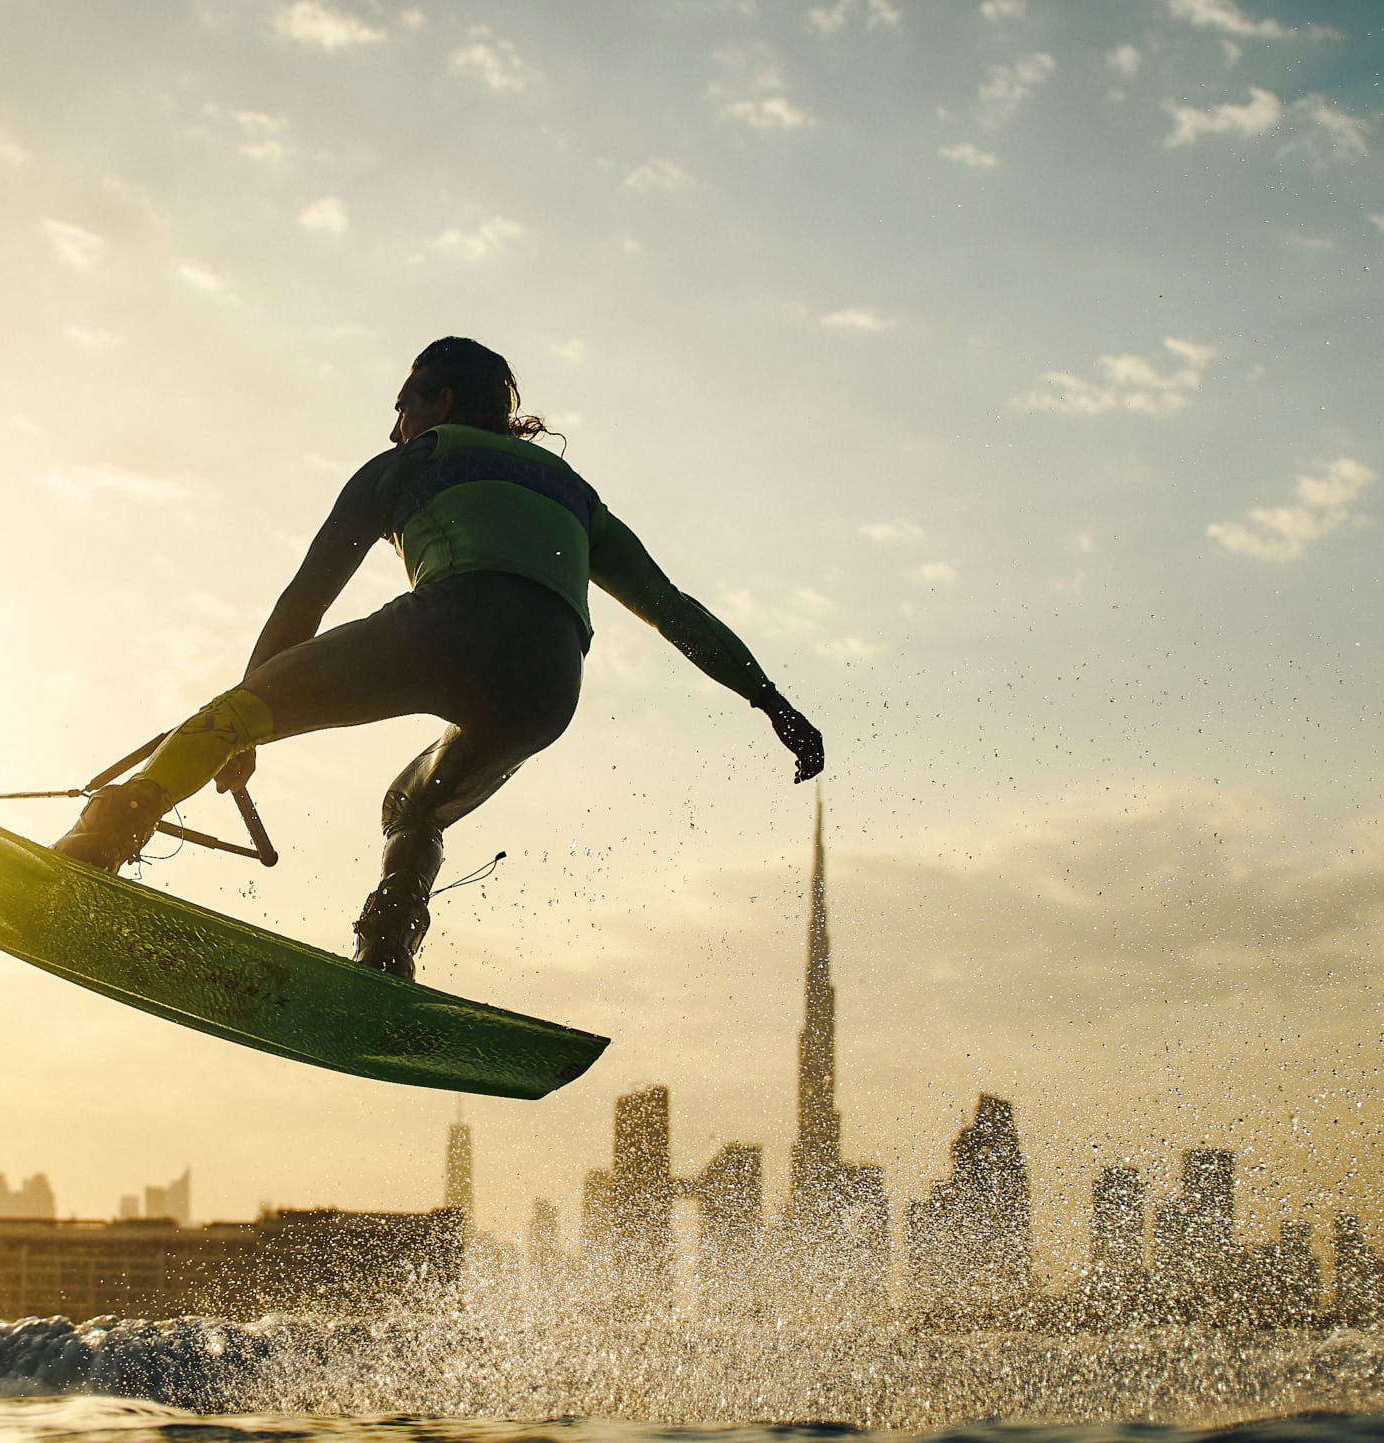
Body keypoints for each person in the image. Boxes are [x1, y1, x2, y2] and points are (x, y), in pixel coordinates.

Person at [55, 336, 828, 981]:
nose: (395, 427)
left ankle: (100, 840)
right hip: (550, 685)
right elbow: (674, 610)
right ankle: (389, 947)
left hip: (449, 625)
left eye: (402, 406)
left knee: (230, 713)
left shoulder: (406, 463)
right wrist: (773, 704)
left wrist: (247, 729)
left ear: (441, 403)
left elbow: (305, 601)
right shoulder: (576, 492)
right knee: (413, 809)